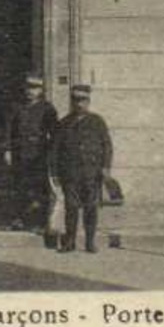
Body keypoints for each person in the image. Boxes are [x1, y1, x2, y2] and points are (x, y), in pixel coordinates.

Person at [53, 83, 112, 253]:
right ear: (71, 101)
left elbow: (107, 146)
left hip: (91, 173)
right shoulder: (64, 123)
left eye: (83, 100)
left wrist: (106, 167)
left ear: (88, 101)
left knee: (91, 208)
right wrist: (55, 173)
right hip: (70, 173)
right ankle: (69, 242)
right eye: (75, 100)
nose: (79, 104)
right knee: (71, 208)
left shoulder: (97, 121)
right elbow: (55, 149)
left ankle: (89, 242)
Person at [4, 73, 57, 235]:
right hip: (19, 152)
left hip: (38, 154)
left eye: (34, 88)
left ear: (41, 90)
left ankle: (38, 223)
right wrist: (7, 150)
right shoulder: (16, 107)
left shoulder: (47, 109)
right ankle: (18, 220)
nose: (30, 91)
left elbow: (54, 133)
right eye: (28, 88)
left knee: (38, 189)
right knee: (19, 186)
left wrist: (52, 154)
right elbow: (9, 131)